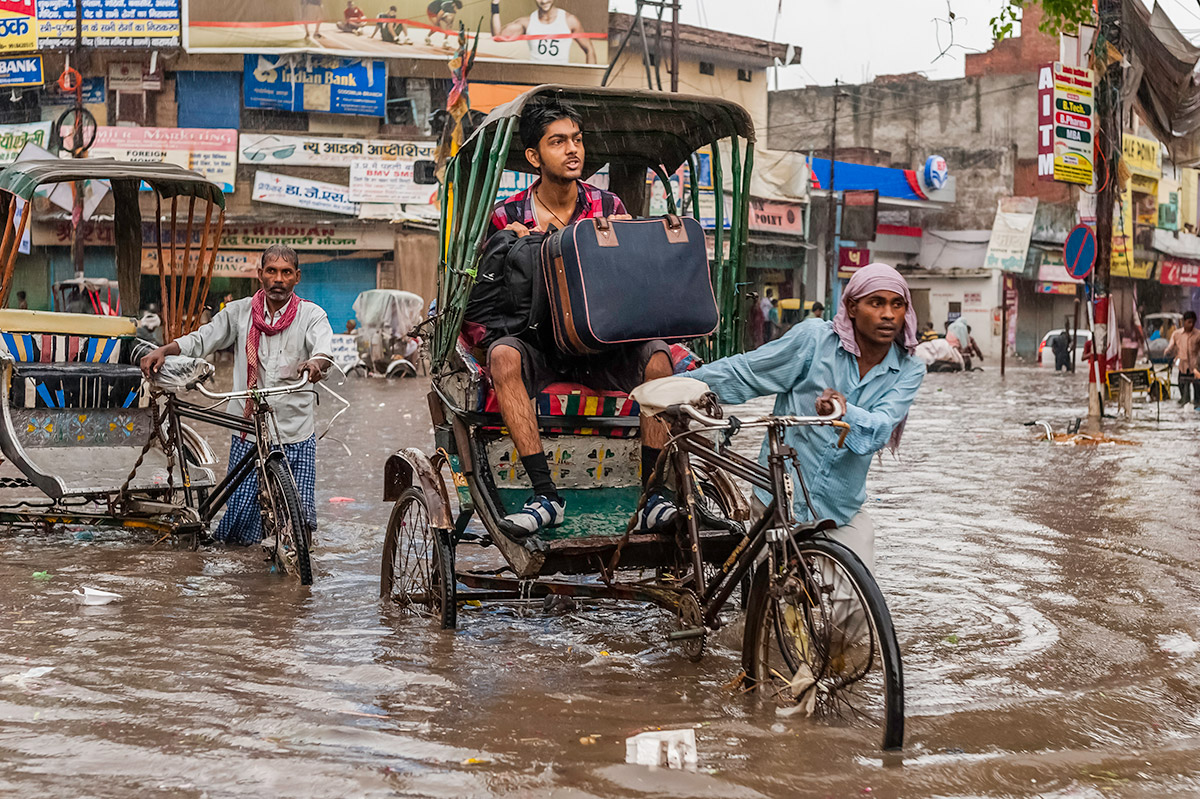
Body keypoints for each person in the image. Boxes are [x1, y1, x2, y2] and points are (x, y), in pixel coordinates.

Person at [484, 97, 673, 537]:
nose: (572, 150)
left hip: (602, 342)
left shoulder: (609, 207)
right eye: (558, 142)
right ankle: (545, 495)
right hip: (540, 342)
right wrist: (509, 248)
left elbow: (635, 285)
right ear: (534, 156)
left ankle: (652, 495)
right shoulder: (507, 215)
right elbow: (487, 301)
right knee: (502, 357)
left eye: (577, 140)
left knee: (659, 358)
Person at [691, 263, 925, 572]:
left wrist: (845, 411)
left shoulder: (909, 369)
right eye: (876, 302)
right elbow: (749, 372)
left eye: (897, 305)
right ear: (853, 307)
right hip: (778, 499)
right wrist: (689, 384)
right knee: (770, 602)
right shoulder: (815, 340)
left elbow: (880, 428)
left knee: (856, 607)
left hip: (838, 512)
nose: (888, 314)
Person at [139, 244, 334, 545]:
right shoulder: (239, 312)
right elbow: (203, 339)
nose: (278, 279)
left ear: (297, 277)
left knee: (300, 518)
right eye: (271, 271)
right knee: (241, 524)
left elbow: (323, 349)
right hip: (247, 429)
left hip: (294, 429)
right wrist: (165, 350)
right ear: (260, 275)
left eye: (285, 272)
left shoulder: (311, 315)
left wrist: (316, 364)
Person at [490, 0, 597, 64]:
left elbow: (589, 50)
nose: (544, 1)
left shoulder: (570, 20)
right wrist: (495, 4)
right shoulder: (527, 22)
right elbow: (497, 36)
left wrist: (592, 88)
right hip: (536, 79)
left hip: (560, 80)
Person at [1165, 310, 1200, 407]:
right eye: (1189, 322)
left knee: (1198, 397)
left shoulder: (1198, 335)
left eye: (1193, 322)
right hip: (1182, 368)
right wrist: (1167, 350)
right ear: (1183, 322)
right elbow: (1171, 345)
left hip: (1195, 369)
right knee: (1184, 398)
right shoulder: (1177, 334)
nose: (1191, 325)